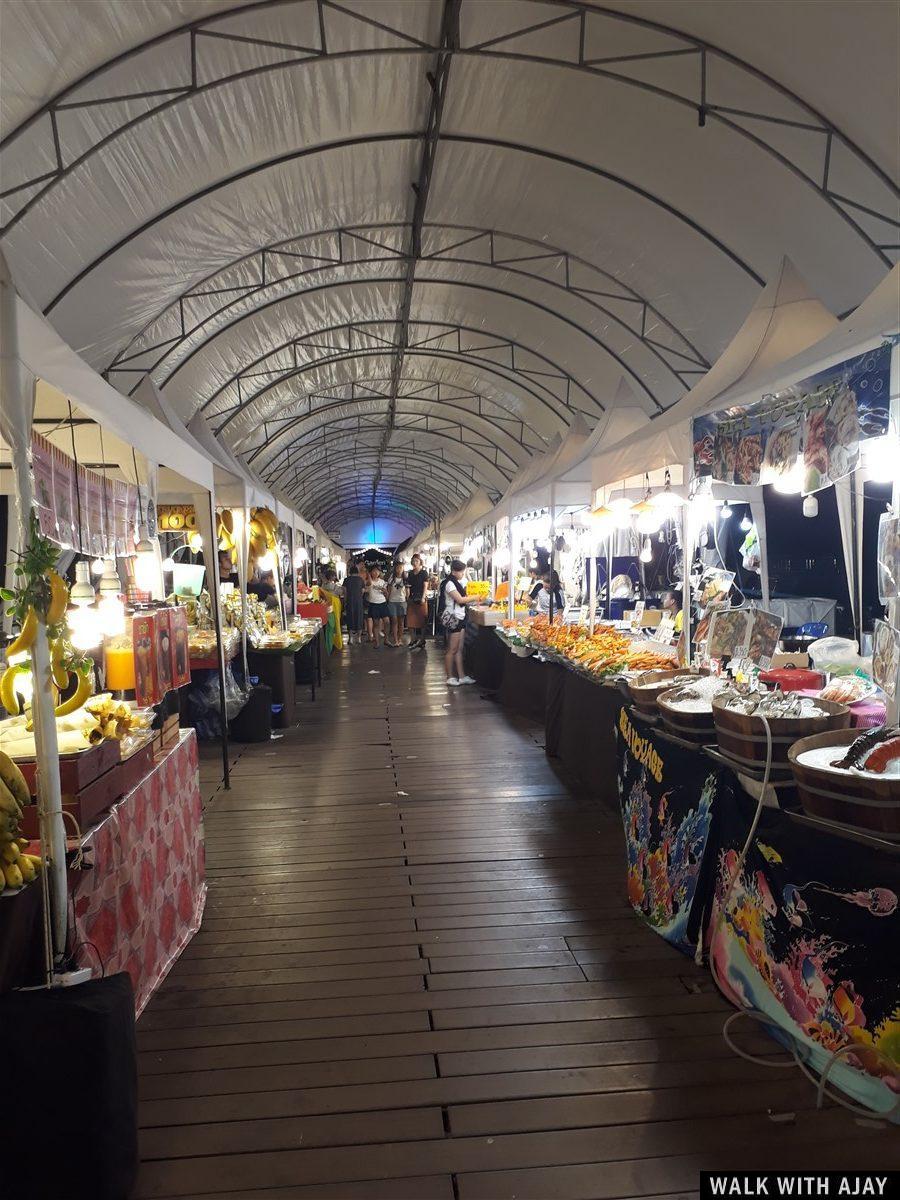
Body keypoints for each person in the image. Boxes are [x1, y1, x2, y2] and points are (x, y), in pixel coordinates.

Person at [440, 559, 478, 686]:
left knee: (459, 649)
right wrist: (476, 597)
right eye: (461, 572)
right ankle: (450, 676)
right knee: (452, 649)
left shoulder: (457, 582)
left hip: (460, 618)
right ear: (454, 572)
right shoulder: (450, 584)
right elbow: (460, 599)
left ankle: (462, 676)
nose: (463, 574)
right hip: (454, 618)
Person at [405, 553, 428, 651]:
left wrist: (423, 597)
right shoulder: (410, 573)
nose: (415, 563)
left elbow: (425, 585)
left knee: (422, 620)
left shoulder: (424, 573)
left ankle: (422, 640)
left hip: (421, 598)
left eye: (417, 561)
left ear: (420, 562)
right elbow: (408, 586)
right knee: (410, 620)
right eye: (413, 561)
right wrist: (407, 596)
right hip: (412, 598)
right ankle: (413, 639)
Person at [365, 564, 389, 648]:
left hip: (382, 603)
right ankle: (377, 642)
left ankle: (386, 640)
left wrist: (385, 591)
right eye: (373, 571)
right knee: (376, 623)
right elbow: (369, 583)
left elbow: (386, 594)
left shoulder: (382, 582)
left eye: (377, 571)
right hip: (373, 603)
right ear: (371, 572)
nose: (375, 573)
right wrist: (368, 574)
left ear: (379, 572)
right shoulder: (369, 581)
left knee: (387, 621)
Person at [386, 561, 407, 647]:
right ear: (395, 568)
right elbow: (389, 590)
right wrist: (387, 599)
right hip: (392, 601)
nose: (399, 569)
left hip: (402, 601)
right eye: (398, 568)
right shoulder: (391, 578)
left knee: (401, 622)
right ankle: (395, 640)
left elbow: (407, 591)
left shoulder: (405, 579)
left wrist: (406, 599)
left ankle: (400, 639)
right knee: (394, 621)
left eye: (401, 568)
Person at [343, 564, 365, 644]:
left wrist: (345, 601)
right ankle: (359, 638)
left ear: (350, 572)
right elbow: (362, 591)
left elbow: (345, 592)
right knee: (359, 618)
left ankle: (351, 639)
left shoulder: (346, 580)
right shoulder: (361, 579)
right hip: (359, 602)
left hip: (350, 601)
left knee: (350, 619)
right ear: (357, 572)